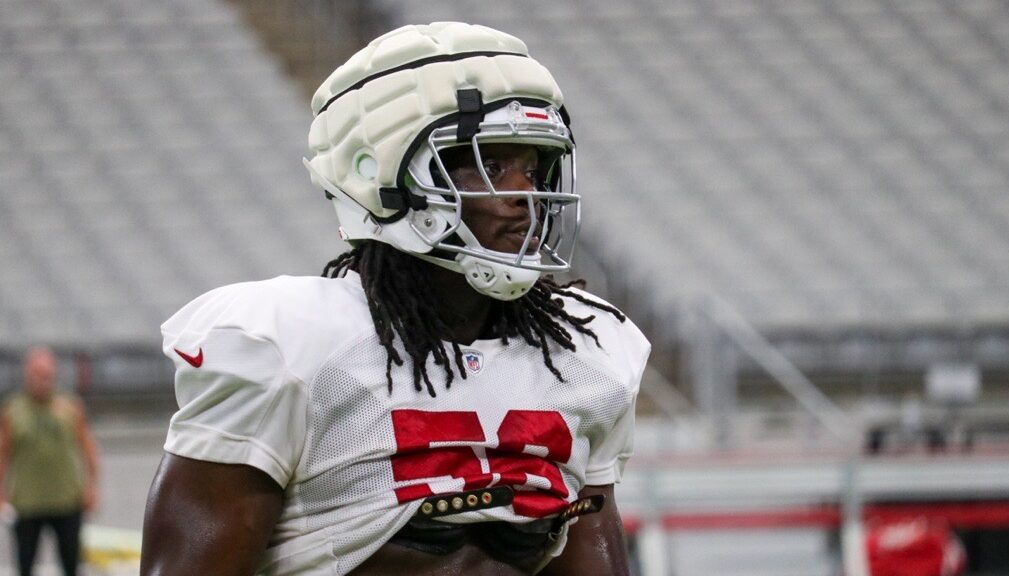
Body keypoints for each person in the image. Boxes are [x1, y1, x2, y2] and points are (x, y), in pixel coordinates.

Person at [141, 21, 650, 576]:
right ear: (379, 175)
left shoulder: (587, 353)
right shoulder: (290, 350)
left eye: (533, 168)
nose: (526, 195)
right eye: (492, 166)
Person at [0, 346, 100, 576]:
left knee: (71, 563)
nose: (42, 381)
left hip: (66, 501)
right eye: (37, 374)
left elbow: (88, 450)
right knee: (25, 564)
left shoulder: (70, 406)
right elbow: (3, 454)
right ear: (27, 374)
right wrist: (2, 493)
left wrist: (92, 487)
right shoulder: (13, 410)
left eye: (47, 375)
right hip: (27, 503)